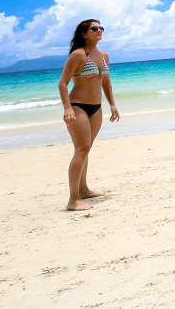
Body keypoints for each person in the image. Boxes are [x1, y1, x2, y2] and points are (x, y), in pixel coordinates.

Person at [57, 19, 120, 210]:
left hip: (96, 107)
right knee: (81, 149)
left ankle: (83, 190)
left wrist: (113, 105)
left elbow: (106, 83)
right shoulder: (78, 55)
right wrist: (67, 108)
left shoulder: (103, 55)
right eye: (94, 28)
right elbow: (62, 83)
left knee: (87, 148)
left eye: (101, 28)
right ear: (84, 34)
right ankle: (73, 200)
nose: (99, 30)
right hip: (78, 107)